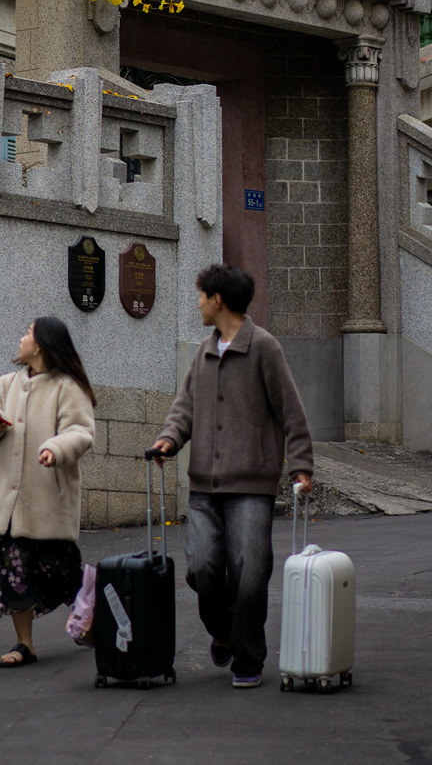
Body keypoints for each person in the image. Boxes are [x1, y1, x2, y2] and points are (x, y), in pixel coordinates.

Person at [151, 263, 313, 689]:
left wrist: (300, 466)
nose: (198, 303)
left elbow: (290, 411)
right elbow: (184, 408)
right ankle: (224, 631)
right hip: (204, 483)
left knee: (249, 573)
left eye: (201, 295)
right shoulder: (204, 352)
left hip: (251, 484)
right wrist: (169, 440)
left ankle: (248, 657)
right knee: (201, 568)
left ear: (217, 299)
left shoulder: (264, 348)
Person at [0, 316, 96, 668]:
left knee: (61, 571)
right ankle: (25, 644)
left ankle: (97, 616)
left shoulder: (67, 386)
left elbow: (81, 431)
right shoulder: (6, 384)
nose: (21, 337)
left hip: (49, 498)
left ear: (41, 344)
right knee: (14, 571)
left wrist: (56, 449)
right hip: (9, 502)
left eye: (27, 332)